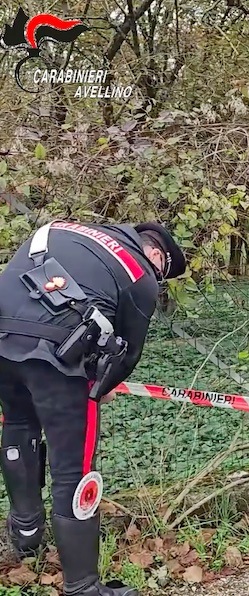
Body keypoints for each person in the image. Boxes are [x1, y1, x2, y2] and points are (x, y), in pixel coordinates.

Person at [0, 220, 186, 596]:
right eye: (163, 270)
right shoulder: (139, 274)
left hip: (1, 339)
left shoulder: (55, 230)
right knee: (74, 469)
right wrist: (101, 388)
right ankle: (82, 587)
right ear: (156, 255)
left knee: (18, 422)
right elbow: (128, 355)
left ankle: (26, 534)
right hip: (58, 363)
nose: (158, 278)